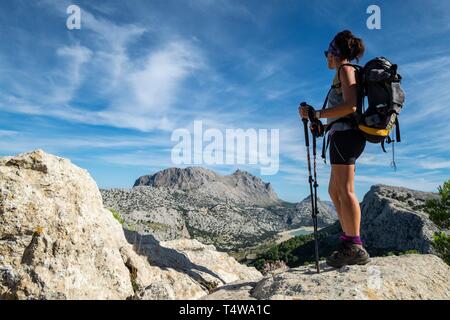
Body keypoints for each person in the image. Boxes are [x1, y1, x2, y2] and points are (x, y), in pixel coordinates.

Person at [299, 30, 370, 267]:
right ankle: (349, 240)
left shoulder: (345, 70)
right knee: (334, 191)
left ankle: (354, 245)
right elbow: (343, 109)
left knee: (346, 190)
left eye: (327, 52)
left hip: (346, 137)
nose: (326, 57)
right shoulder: (341, 74)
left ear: (336, 53)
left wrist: (316, 114)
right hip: (341, 135)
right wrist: (321, 125)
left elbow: (350, 106)